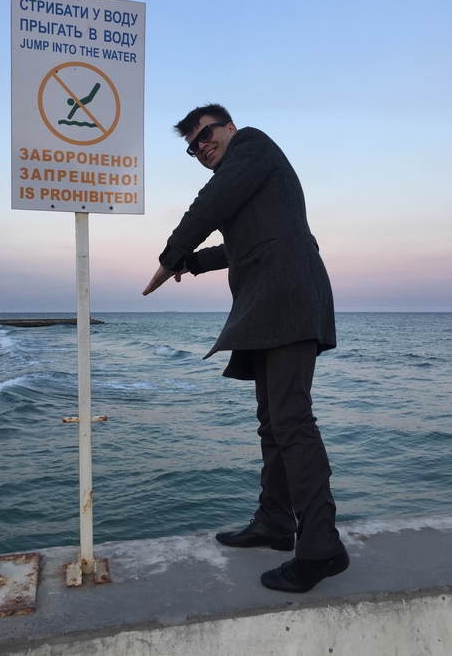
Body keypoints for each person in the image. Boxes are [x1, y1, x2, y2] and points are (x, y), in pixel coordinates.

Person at [143, 103, 349, 593]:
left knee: (292, 420)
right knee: (273, 422)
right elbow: (241, 244)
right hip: (267, 304)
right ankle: (275, 521)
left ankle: (321, 547)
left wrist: (170, 257)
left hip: (287, 297)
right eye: (192, 146)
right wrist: (192, 263)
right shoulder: (250, 178)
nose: (200, 147)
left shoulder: (252, 146)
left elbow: (211, 204)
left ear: (230, 127)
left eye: (205, 134)